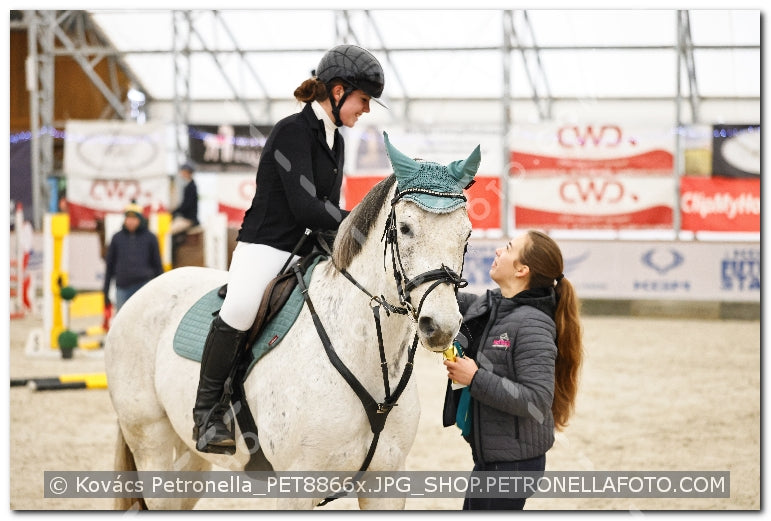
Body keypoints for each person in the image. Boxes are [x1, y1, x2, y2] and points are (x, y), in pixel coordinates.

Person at [192, 44, 386, 454]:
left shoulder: (336, 140)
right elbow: (306, 206)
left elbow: (326, 209)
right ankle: (207, 415)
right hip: (266, 244)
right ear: (337, 92)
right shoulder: (291, 131)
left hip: (307, 247)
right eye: (363, 100)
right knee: (242, 307)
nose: (365, 109)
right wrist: (361, 222)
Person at [443, 229, 584, 510]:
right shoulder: (497, 304)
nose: (498, 251)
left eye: (507, 248)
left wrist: (475, 378)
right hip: (493, 460)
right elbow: (457, 304)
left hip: (513, 467)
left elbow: (536, 401)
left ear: (522, 270)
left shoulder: (533, 324)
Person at [103, 202, 163, 312]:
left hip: (144, 287)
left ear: (140, 219)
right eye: (128, 218)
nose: (130, 221)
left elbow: (157, 265)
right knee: (122, 321)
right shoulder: (117, 238)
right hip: (122, 288)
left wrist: (161, 291)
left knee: (144, 319)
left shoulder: (150, 238)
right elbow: (109, 266)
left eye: (134, 218)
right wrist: (105, 293)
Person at [170, 162, 199, 236]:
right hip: (185, 217)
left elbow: (186, 205)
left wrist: (175, 211)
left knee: (169, 231)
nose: (181, 173)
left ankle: (169, 248)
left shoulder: (191, 187)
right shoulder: (189, 186)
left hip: (189, 219)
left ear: (188, 172)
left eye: (183, 171)